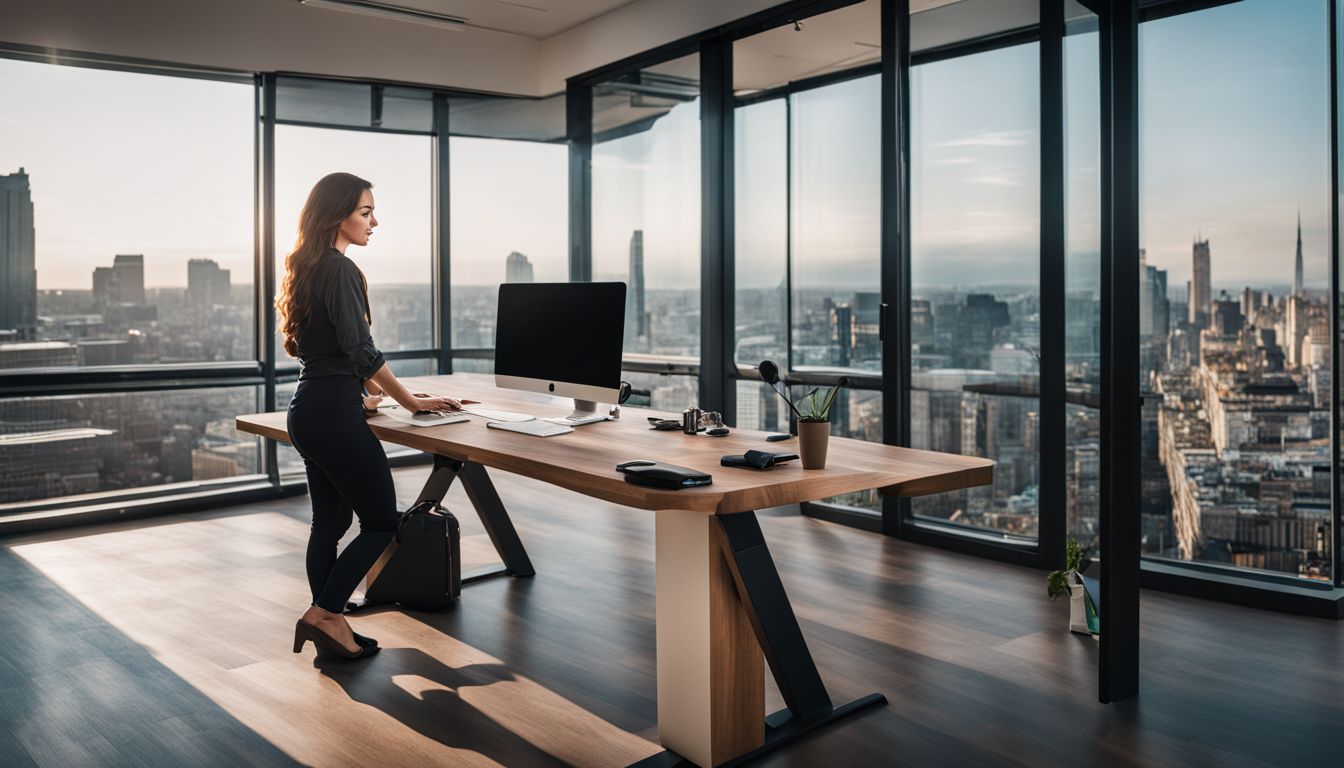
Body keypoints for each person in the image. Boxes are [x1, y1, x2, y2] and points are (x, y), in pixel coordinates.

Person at [277, 172, 458, 659]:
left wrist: (362, 396)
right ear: (337, 214)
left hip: (310, 409)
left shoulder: (307, 265)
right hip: (333, 413)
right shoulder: (338, 269)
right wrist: (411, 401)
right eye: (365, 211)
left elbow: (328, 356)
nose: (374, 221)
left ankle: (331, 633)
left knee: (328, 526)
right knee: (381, 522)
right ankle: (323, 614)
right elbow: (361, 351)